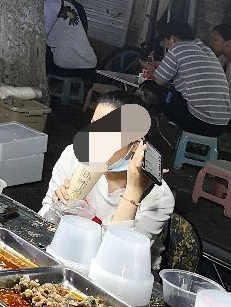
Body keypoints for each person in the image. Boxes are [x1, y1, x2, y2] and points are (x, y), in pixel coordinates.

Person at [39, 94, 175, 266]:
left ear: (135, 144)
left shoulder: (158, 197)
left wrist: (134, 190)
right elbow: (42, 220)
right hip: (65, 256)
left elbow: (117, 260)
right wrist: (60, 209)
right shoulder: (74, 155)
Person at [142, 18, 231, 137]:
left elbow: (159, 79)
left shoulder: (177, 48)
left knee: (150, 88)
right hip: (222, 125)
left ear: (172, 38)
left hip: (200, 122)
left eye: (166, 41)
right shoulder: (205, 49)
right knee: (171, 94)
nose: (166, 45)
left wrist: (149, 67)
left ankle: (149, 132)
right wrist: (162, 65)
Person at [44, 0, 97, 81]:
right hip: (89, 63)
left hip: (67, 66)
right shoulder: (70, 6)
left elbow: (42, 34)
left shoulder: (47, 6)